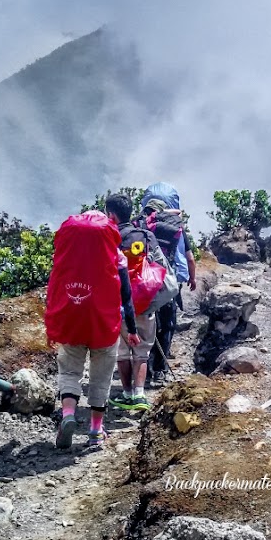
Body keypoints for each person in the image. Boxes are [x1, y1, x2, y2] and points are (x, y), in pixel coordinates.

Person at [44, 210, 140, 449]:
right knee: (101, 377)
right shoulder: (117, 257)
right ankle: (96, 430)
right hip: (104, 325)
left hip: (72, 321)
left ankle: (67, 415)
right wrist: (132, 329)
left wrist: (53, 325)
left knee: (69, 372)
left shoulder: (65, 258)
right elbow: (126, 296)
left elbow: (54, 290)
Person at [104, 193, 178, 413]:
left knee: (122, 351)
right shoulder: (145, 235)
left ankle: (126, 394)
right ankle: (139, 394)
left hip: (117, 303)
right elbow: (159, 265)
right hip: (144, 301)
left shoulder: (109, 237)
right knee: (142, 351)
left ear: (111, 214)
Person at [138, 183, 197, 382]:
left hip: (144, 281)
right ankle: (160, 370)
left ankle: (142, 370)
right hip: (168, 281)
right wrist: (192, 278)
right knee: (167, 322)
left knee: (146, 322)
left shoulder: (138, 225)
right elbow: (189, 258)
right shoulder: (174, 227)